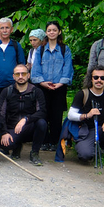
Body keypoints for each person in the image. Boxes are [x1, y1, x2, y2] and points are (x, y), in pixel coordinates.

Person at [30, 20, 73, 151]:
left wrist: (60, 83)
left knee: (57, 115)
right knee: (43, 113)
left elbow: (68, 68)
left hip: (59, 87)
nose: (52, 32)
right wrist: (42, 82)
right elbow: (35, 68)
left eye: (54, 30)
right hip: (43, 87)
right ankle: (44, 141)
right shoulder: (40, 50)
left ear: (59, 32)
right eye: (49, 30)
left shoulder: (65, 49)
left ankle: (55, 142)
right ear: (46, 33)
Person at [0, 64, 47, 166]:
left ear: (28, 75)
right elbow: (0, 113)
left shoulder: (36, 91)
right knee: (6, 145)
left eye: (23, 74)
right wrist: (4, 132)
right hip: (12, 127)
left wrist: (26, 119)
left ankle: (35, 152)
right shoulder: (7, 91)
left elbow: (42, 112)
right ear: (13, 76)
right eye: (17, 74)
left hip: (30, 127)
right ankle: (16, 147)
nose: (20, 76)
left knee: (42, 123)